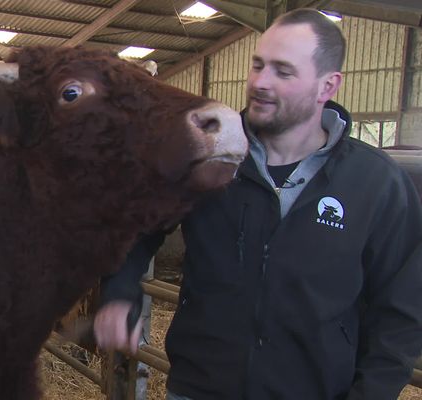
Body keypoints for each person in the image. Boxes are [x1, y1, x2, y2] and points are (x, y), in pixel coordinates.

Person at [93, 8, 422, 400]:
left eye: (283, 71)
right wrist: (118, 294)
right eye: (258, 64)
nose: (260, 82)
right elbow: (134, 228)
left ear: (326, 86)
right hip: (200, 389)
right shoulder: (204, 156)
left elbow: (402, 309)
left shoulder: (377, 183)